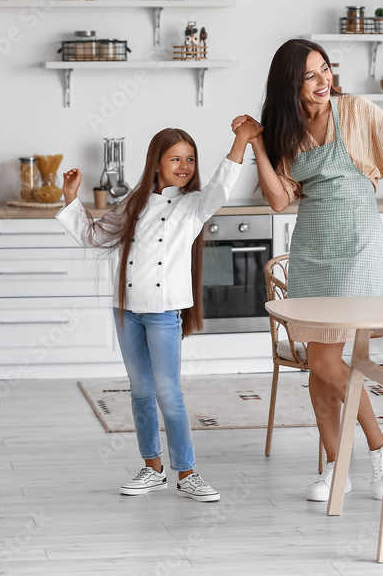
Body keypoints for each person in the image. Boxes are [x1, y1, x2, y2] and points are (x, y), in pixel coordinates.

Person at [235, 38, 383, 502]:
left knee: (325, 360)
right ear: (289, 84)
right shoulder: (283, 131)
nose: (322, 82)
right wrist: (257, 143)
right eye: (310, 76)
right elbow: (279, 200)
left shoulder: (355, 110)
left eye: (325, 70)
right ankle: (339, 468)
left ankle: (380, 449)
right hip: (313, 249)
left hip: (358, 248)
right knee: (320, 369)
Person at [57, 124, 258, 502]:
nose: (184, 165)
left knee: (169, 391)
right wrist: (71, 198)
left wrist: (241, 141)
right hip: (127, 310)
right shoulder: (134, 202)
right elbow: (94, 236)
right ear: (156, 164)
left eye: (190, 159)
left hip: (164, 312)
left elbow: (221, 186)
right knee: (141, 390)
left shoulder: (194, 205)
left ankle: (188, 473)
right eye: (175, 159)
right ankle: (152, 470)